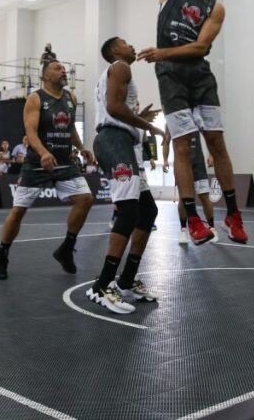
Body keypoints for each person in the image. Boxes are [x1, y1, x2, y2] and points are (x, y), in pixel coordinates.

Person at [137, 0, 248, 245]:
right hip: (171, 77)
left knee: (216, 141)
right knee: (183, 147)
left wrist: (164, 52)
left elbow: (201, 47)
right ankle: (194, 220)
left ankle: (232, 212)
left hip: (198, 74)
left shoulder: (216, 8)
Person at [0, 61, 95, 281]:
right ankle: (2, 253)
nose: (63, 71)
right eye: (58, 68)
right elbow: (30, 132)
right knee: (18, 211)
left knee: (86, 199)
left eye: (63, 68)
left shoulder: (71, 98)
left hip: (64, 162)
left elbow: (70, 129)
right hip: (38, 162)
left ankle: (67, 248)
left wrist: (81, 147)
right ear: (46, 76)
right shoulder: (36, 98)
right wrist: (43, 153)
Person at [87, 37, 164, 313]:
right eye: (125, 43)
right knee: (129, 212)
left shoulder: (113, 74)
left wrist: (138, 116)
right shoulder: (121, 66)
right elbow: (113, 109)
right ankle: (103, 284)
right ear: (114, 51)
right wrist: (150, 128)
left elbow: (117, 108)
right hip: (113, 141)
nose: (132, 46)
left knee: (147, 212)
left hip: (119, 140)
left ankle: (127, 280)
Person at [162, 127, 217, 244]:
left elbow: (208, 136)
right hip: (182, 164)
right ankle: (183, 230)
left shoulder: (195, 114)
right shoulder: (170, 120)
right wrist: (165, 160)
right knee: (183, 198)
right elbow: (166, 141)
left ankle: (212, 228)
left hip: (198, 162)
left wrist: (211, 155)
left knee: (204, 196)